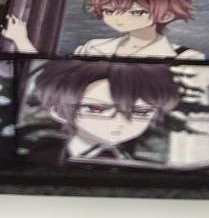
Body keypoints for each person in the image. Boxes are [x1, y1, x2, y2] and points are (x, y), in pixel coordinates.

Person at [3, 0, 204, 59]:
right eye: (109, 11)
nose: (119, 18)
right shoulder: (93, 47)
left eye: (136, 12)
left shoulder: (187, 57)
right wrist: (21, 40)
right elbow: (53, 76)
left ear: (166, 15)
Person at [26, 60, 181, 165]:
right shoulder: (36, 157)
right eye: (96, 109)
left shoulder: (144, 164)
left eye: (141, 112)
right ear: (59, 112)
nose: (121, 121)